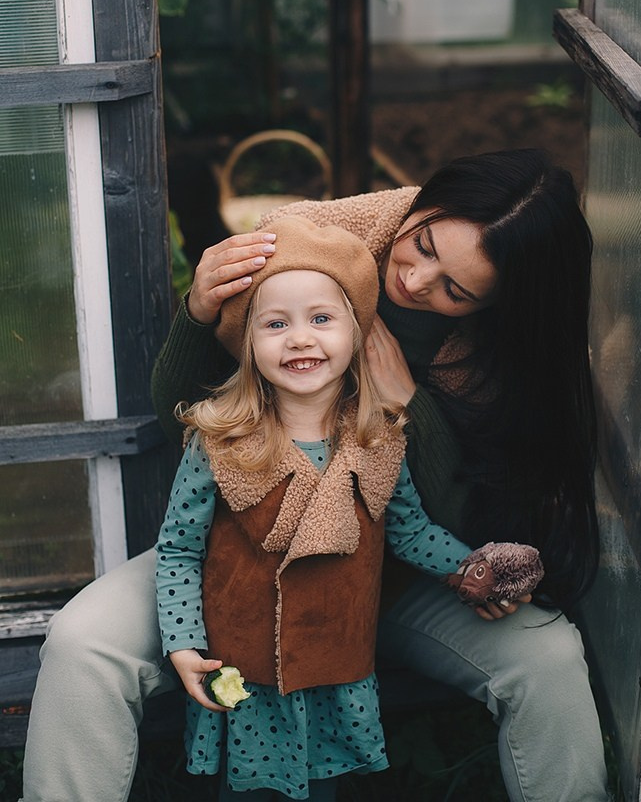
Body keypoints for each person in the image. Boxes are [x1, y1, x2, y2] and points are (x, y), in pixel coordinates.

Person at [20, 149, 609, 802]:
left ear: (497, 305)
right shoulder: (307, 250)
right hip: (243, 558)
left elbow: (448, 519)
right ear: (417, 206)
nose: (415, 281)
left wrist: (406, 402)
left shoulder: (503, 358)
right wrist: (197, 315)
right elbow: (186, 422)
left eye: (454, 290)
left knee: (545, 659)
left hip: (402, 573)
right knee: (84, 645)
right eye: (422, 244)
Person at [156, 216, 473, 800]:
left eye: (321, 319)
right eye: (276, 324)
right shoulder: (220, 439)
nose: (300, 338)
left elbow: (409, 531)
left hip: (335, 664)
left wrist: (473, 568)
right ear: (248, 342)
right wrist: (183, 643)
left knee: (324, 789)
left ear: (357, 333)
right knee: (249, 791)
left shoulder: (380, 439)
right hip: (247, 668)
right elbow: (179, 548)